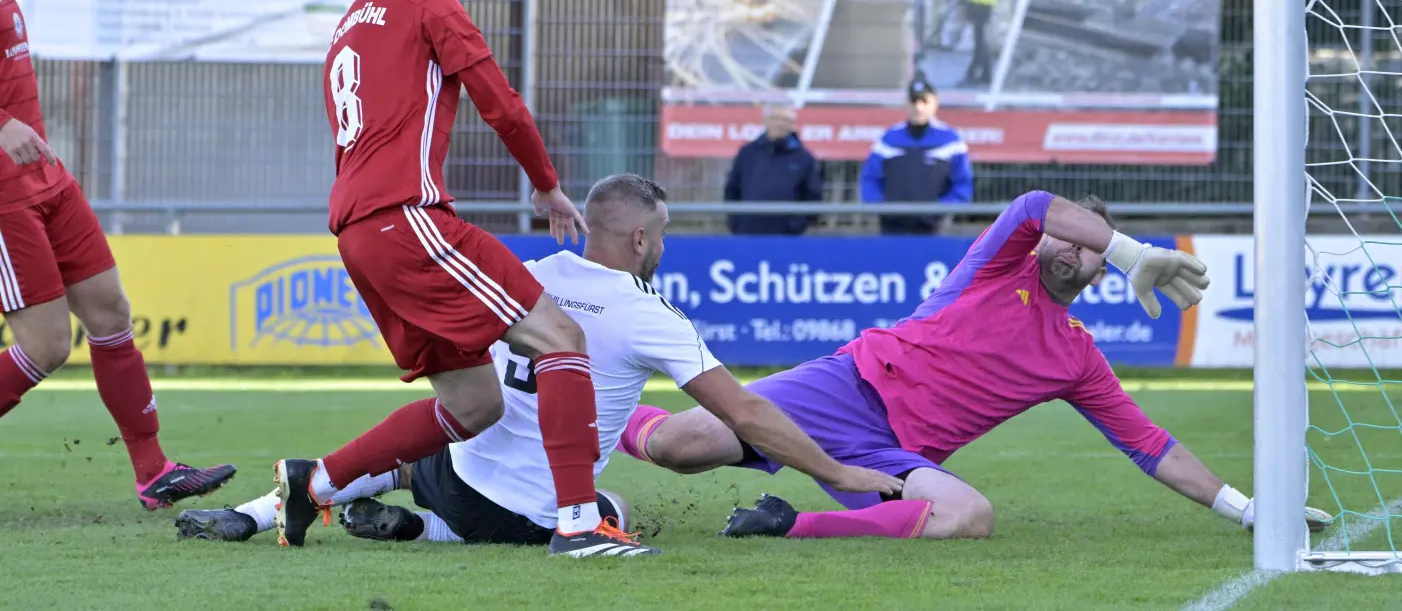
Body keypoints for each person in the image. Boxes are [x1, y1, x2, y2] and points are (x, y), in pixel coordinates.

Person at [176, 175, 899, 548]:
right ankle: (427, 533)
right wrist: (836, 472)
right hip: (529, 505)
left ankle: (260, 510)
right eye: (665, 235)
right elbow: (742, 412)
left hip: (450, 468)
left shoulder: (528, 274)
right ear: (642, 240)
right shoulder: (648, 313)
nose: (667, 246)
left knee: (436, 437)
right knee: (618, 510)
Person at [272, 0, 650, 557]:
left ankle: (316, 483)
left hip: (359, 234)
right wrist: (547, 185)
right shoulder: (427, 2)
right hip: (408, 219)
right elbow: (499, 101)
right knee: (561, 339)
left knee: (475, 406)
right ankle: (576, 524)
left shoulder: (349, 24)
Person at [618, 191, 1329, 540]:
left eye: (1087, 251)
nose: (1068, 250)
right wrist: (1129, 249)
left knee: (969, 518)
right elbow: (1030, 204)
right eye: (1071, 236)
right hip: (843, 389)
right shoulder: (996, 267)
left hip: (893, 453)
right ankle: (600, 414)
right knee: (676, 449)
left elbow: (1151, 447)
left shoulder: (1077, 358)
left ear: (1095, 274)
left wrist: (1249, 511)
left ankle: (782, 524)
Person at [0, 0, 236, 509]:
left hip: (48, 178)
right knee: (47, 345)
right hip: (4, 198)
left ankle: (154, 472)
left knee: (109, 312)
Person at [859, 79, 972, 235]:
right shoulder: (888, 139)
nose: (919, 107)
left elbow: (962, 183)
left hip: (935, 230)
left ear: (935, 103)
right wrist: (881, 208)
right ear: (906, 103)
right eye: (914, 101)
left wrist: (941, 210)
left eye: (925, 101)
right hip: (891, 229)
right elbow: (870, 178)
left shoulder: (951, 140)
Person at [724, 101, 822, 236]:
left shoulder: (804, 158)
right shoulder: (747, 153)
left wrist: (795, 227)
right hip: (746, 233)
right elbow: (732, 190)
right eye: (775, 118)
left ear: (792, 124)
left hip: (786, 239)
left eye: (785, 120)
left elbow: (813, 197)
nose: (779, 124)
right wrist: (736, 222)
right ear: (765, 121)